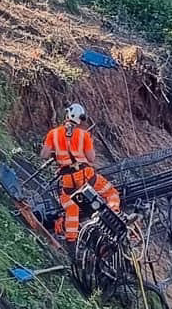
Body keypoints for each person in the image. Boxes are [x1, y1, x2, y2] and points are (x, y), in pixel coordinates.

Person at [41, 101, 120, 245]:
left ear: (67, 115)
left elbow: (44, 154)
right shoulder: (84, 135)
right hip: (86, 177)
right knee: (111, 193)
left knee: (72, 206)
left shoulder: (53, 134)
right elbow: (91, 158)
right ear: (80, 118)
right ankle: (115, 214)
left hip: (68, 181)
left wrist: (57, 154)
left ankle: (71, 240)